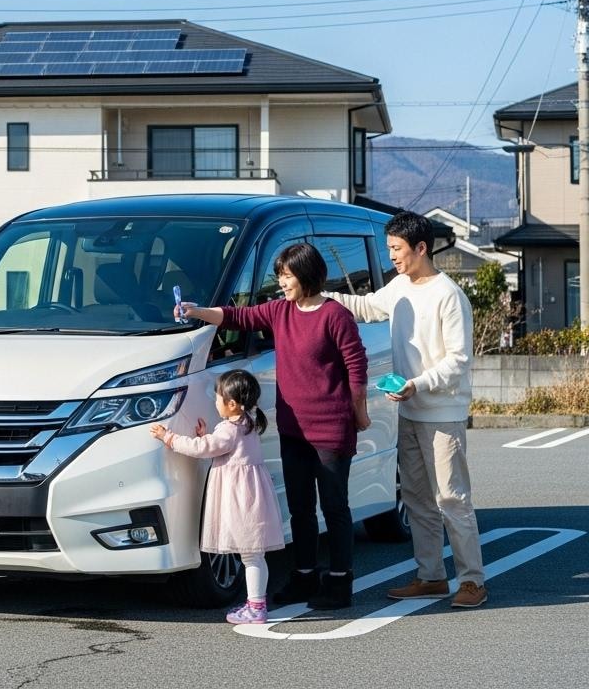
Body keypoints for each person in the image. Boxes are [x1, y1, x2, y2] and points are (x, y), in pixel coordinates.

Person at [177, 242, 369, 610]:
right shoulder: (281, 312)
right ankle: (305, 575)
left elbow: (355, 367)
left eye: (286, 275)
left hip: (331, 429)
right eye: (279, 275)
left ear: (306, 274)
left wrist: (359, 412)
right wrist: (196, 311)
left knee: (334, 507)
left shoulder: (335, 315)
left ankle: (340, 583)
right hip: (293, 429)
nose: (281, 282)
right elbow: (239, 317)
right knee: (299, 508)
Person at [326, 210, 486, 609]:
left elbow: (458, 360)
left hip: (442, 413)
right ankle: (431, 576)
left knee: (452, 499)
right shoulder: (400, 285)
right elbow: (365, 307)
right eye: (390, 249)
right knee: (417, 500)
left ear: (421, 247)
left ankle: (472, 582)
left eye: (397, 250)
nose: (392, 257)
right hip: (409, 412)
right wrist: (320, 295)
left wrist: (417, 383)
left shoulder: (449, 295)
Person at [150, 369, 284, 625]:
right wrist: (205, 435)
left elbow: (203, 449)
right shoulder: (248, 422)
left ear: (232, 404)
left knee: (250, 554)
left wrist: (168, 437)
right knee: (254, 554)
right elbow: (218, 448)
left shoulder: (229, 429)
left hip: (239, 499)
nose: (215, 402)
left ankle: (256, 607)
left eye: (217, 398)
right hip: (250, 496)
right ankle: (256, 603)